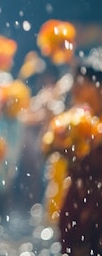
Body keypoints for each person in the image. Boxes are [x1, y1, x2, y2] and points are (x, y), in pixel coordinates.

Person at [56, 47, 102, 254]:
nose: (74, 90)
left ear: (98, 87)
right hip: (78, 197)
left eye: (80, 84)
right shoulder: (73, 121)